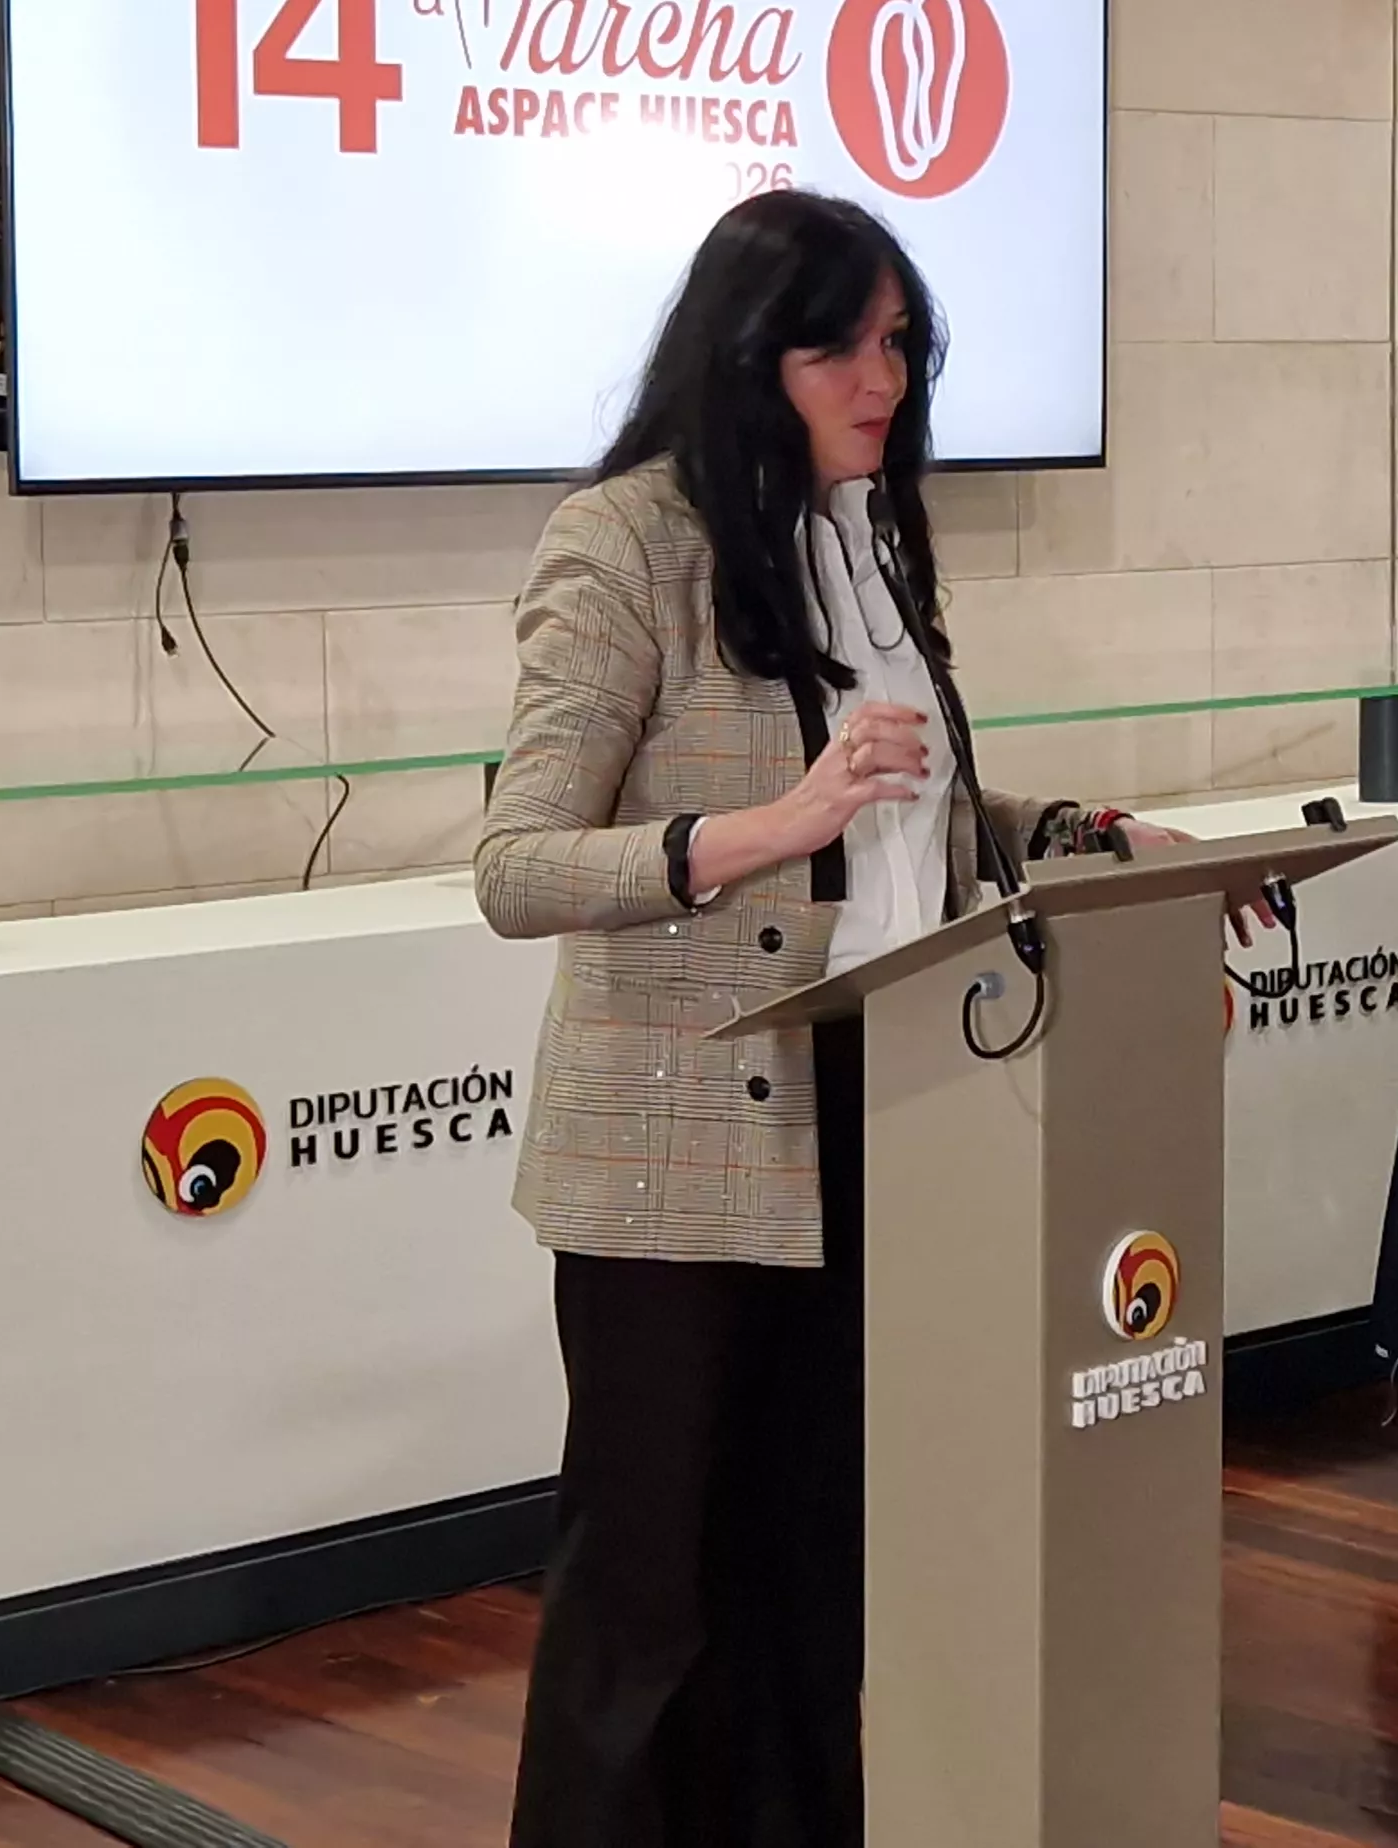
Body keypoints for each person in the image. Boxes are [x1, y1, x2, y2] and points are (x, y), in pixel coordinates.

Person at [475, 194, 1211, 1847]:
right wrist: (763, 827)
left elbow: (912, 815)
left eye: (899, 343)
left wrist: (1084, 836)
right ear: (754, 354)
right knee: (650, 1593)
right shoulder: (625, 542)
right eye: (846, 345)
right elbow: (517, 864)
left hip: (879, 1118)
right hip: (676, 1148)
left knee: (816, 1572)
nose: (883, 377)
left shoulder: (872, 536)